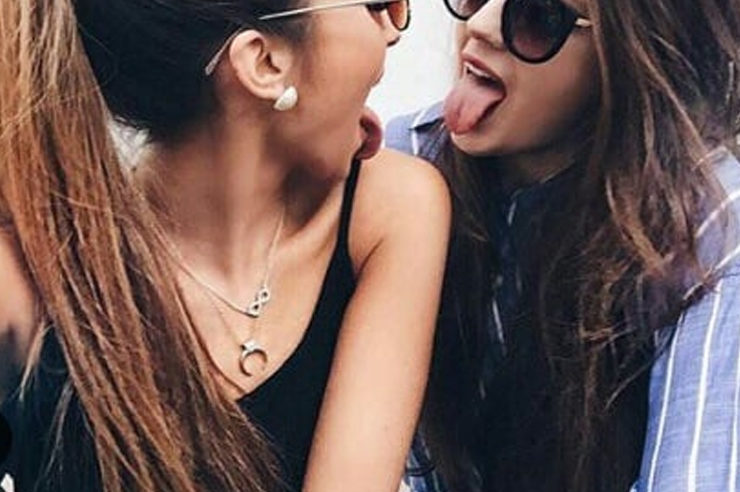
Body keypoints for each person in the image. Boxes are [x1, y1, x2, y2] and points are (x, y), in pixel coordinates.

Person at [0, 0, 452, 490]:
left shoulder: (388, 210)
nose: (393, 31)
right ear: (264, 63)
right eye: (377, 6)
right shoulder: (26, 276)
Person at [387, 0, 740, 490]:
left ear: (629, 54)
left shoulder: (707, 231)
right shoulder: (402, 167)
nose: (480, 26)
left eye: (536, 17)